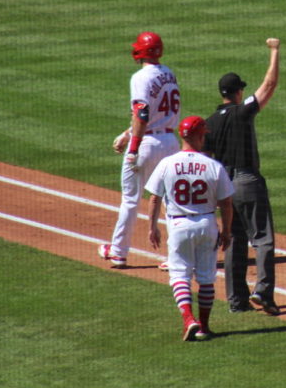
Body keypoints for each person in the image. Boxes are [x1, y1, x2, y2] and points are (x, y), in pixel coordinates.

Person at [203, 38, 282, 315]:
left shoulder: (209, 123)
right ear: (237, 93)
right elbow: (269, 85)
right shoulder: (243, 112)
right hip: (247, 181)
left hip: (223, 184)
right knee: (261, 238)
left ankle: (237, 301)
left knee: (233, 241)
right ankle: (263, 293)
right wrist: (274, 51)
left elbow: (204, 159)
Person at [146, 115, 234, 341]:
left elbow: (155, 198)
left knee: (179, 275)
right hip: (207, 223)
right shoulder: (214, 166)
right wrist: (226, 231)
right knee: (206, 278)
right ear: (198, 136)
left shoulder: (167, 163)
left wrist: (152, 227)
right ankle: (204, 327)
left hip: (178, 224)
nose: (205, 138)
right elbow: (226, 202)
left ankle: (189, 319)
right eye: (203, 134)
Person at [98, 31, 181, 269]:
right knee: (170, 200)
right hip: (170, 143)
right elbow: (155, 114)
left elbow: (143, 113)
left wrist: (132, 146)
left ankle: (118, 252)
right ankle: (175, 257)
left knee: (131, 200)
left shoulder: (139, 77)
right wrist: (126, 134)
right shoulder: (169, 74)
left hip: (146, 145)